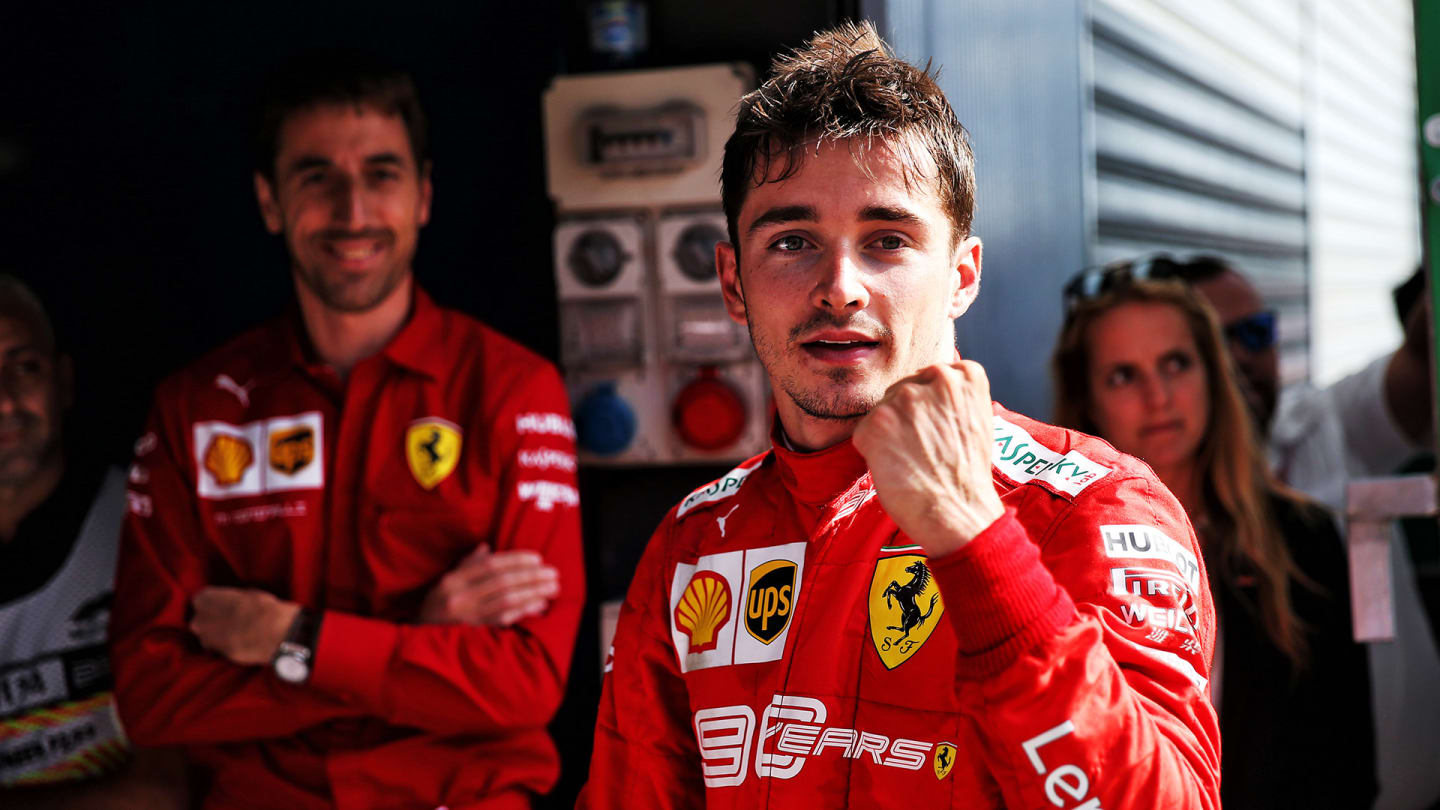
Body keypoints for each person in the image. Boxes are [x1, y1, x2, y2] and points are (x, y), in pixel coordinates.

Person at [577, 22, 1220, 808]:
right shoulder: (691, 544)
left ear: (962, 274)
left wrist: (975, 542)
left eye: (886, 239)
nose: (840, 286)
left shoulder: (1093, 509)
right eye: (791, 241)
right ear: (733, 281)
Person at [109, 52, 583, 810]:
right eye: (316, 177)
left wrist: (291, 639)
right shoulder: (196, 408)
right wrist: (400, 643)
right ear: (269, 202)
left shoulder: (511, 388)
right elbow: (152, 697)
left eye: (382, 175)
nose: (353, 211)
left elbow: (525, 683)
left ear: (424, 196)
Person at [1050, 261, 1377, 808]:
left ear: (1213, 373)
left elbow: (1349, 770)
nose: (1158, 396)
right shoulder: (1051, 549)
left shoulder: (1304, 539)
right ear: (1088, 401)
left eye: (1175, 363)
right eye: (1123, 375)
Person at [1185, 256, 1440, 810]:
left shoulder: (1324, 425)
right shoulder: (1155, 500)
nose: (1241, 356)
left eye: (1256, 333)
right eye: (1213, 341)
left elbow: (1425, 360)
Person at [0, 276, 187, 808]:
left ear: (63, 381)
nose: (5, 400)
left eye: (24, 366)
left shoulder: (147, 524)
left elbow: (164, 793)